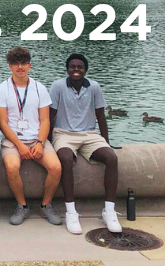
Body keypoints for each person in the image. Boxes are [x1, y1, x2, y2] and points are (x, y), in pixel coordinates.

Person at [49, 53, 121, 234]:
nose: (76, 70)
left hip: (89, 134)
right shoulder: (58, 86)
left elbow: (100, 115)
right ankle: (71, 212)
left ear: (85, 70)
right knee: (65, 159)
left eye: (79, 67)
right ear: (67, 69)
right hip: (63, 133)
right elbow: (50, 115)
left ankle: (109, 211)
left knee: (111, 158)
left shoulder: (94, 87)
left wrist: (106, 141)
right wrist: (47, 142)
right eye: (72, 67)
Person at [0, 47, 62, 227]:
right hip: (13, 140)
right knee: (12, 166)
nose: (20, 67)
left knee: (55, 167)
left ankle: (46, 204)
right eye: (16, 63)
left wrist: (40, 142)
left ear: (29, 65)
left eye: (23, 63)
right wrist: (19, 146)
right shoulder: (2, 89)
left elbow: (45, 120)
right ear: (10, 66)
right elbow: (3, 123)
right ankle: (22, 205)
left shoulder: (39, 88)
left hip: (36, 138)